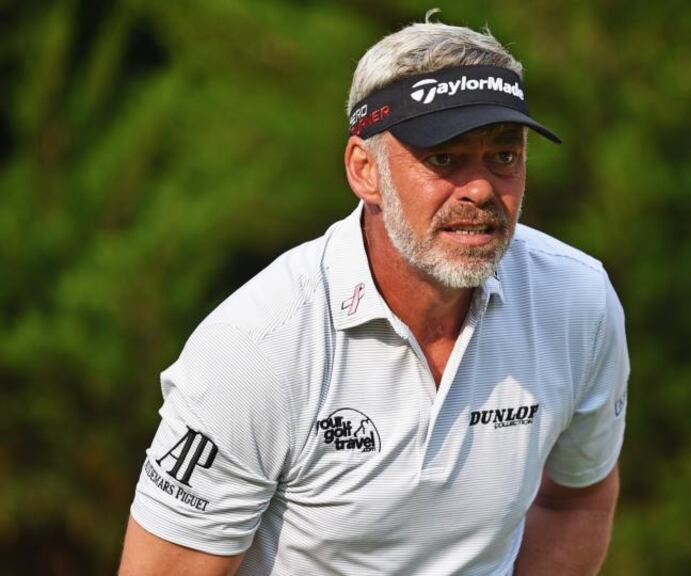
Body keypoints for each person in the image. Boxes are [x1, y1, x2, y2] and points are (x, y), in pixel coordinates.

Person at [119, 19, 629, 576]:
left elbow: (575, 497)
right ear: (366, 171)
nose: (482, 188)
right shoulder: (258, 347)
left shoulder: (577, 301)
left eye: (503, 157)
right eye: (444, 159)